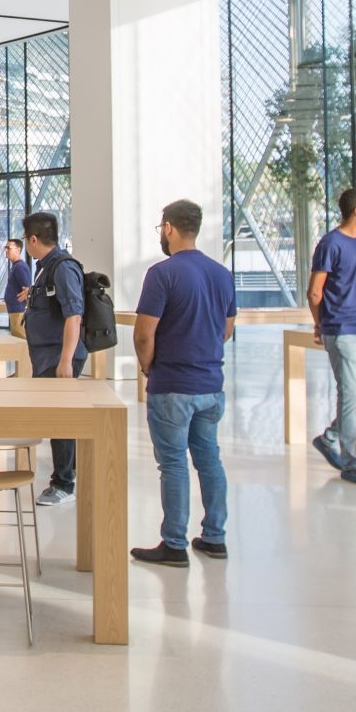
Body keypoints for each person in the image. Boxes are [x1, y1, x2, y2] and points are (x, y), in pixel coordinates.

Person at [132, 199, 236, 565]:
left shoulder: (162, 274)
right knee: (209, 459)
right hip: (211, 384)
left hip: (172, 383)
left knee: (173, 463)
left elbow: (144, 334)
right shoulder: (222, 274)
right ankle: (215, 537)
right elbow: (226, 329)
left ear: (169, 228)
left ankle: (174, 543)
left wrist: (148, 368)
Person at [308, 187, 356, 487]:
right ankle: (351, 463)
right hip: (341, 330)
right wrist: (319, 324)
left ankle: (330, 437)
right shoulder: (330, 243)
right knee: (348, 396)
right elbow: (315, 291)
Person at [19, 210, 89, 505]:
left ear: (34, 239)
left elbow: (74, 315)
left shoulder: (62, 267)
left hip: (58, 358)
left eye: (25, 239)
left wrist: (65, 361)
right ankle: (63, 476)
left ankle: (64, 484)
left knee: (61, 422)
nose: (26, 244)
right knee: (55, 419)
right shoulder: (45, 267)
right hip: (46, 356)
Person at [2, 237, 32, 324]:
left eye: (8, 248)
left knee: (19, 337)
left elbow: (27, 289)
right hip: (14, 310)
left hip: (18, 310)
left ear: (18, 249)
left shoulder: (19, 267)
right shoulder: (15, 266)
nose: (6, 250)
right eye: (5, 248)